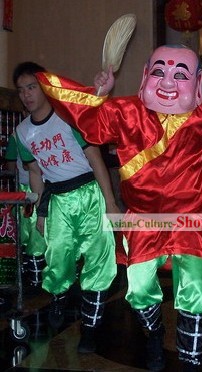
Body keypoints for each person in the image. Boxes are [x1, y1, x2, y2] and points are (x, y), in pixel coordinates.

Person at [35, 45, 202, 371]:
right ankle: (154, 332)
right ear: (145, 76)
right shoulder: (127, 112)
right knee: (140, 293)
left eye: (180, 74)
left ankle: (191, 362)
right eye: (159, 72)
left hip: (192, 218)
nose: (168, 82)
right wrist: (99, 93)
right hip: (143, 219)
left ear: (196, 83)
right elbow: (93, 124)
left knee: (196, 294)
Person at [13, 61, 118, 354]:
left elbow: (96, 159)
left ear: (45, 86)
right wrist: (39, 212)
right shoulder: (22, 133)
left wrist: (110, 202)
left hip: (89, 194)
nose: (26, 95)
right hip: (57, 200)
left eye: (32, 87)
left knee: (99, 262)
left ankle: (90, 330)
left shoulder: (69, 118)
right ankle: (59, 299)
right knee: (57, 263)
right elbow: (35, 173)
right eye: (21, 90)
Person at [5, 132, 47, 288]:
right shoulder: (17, 135)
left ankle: (32, 279)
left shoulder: (17, 134)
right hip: (25, 192)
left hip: (42, 189)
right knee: (27, 234)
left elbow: (10, 165)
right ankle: (32, 279)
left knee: (33, 235)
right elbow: (10, 165)